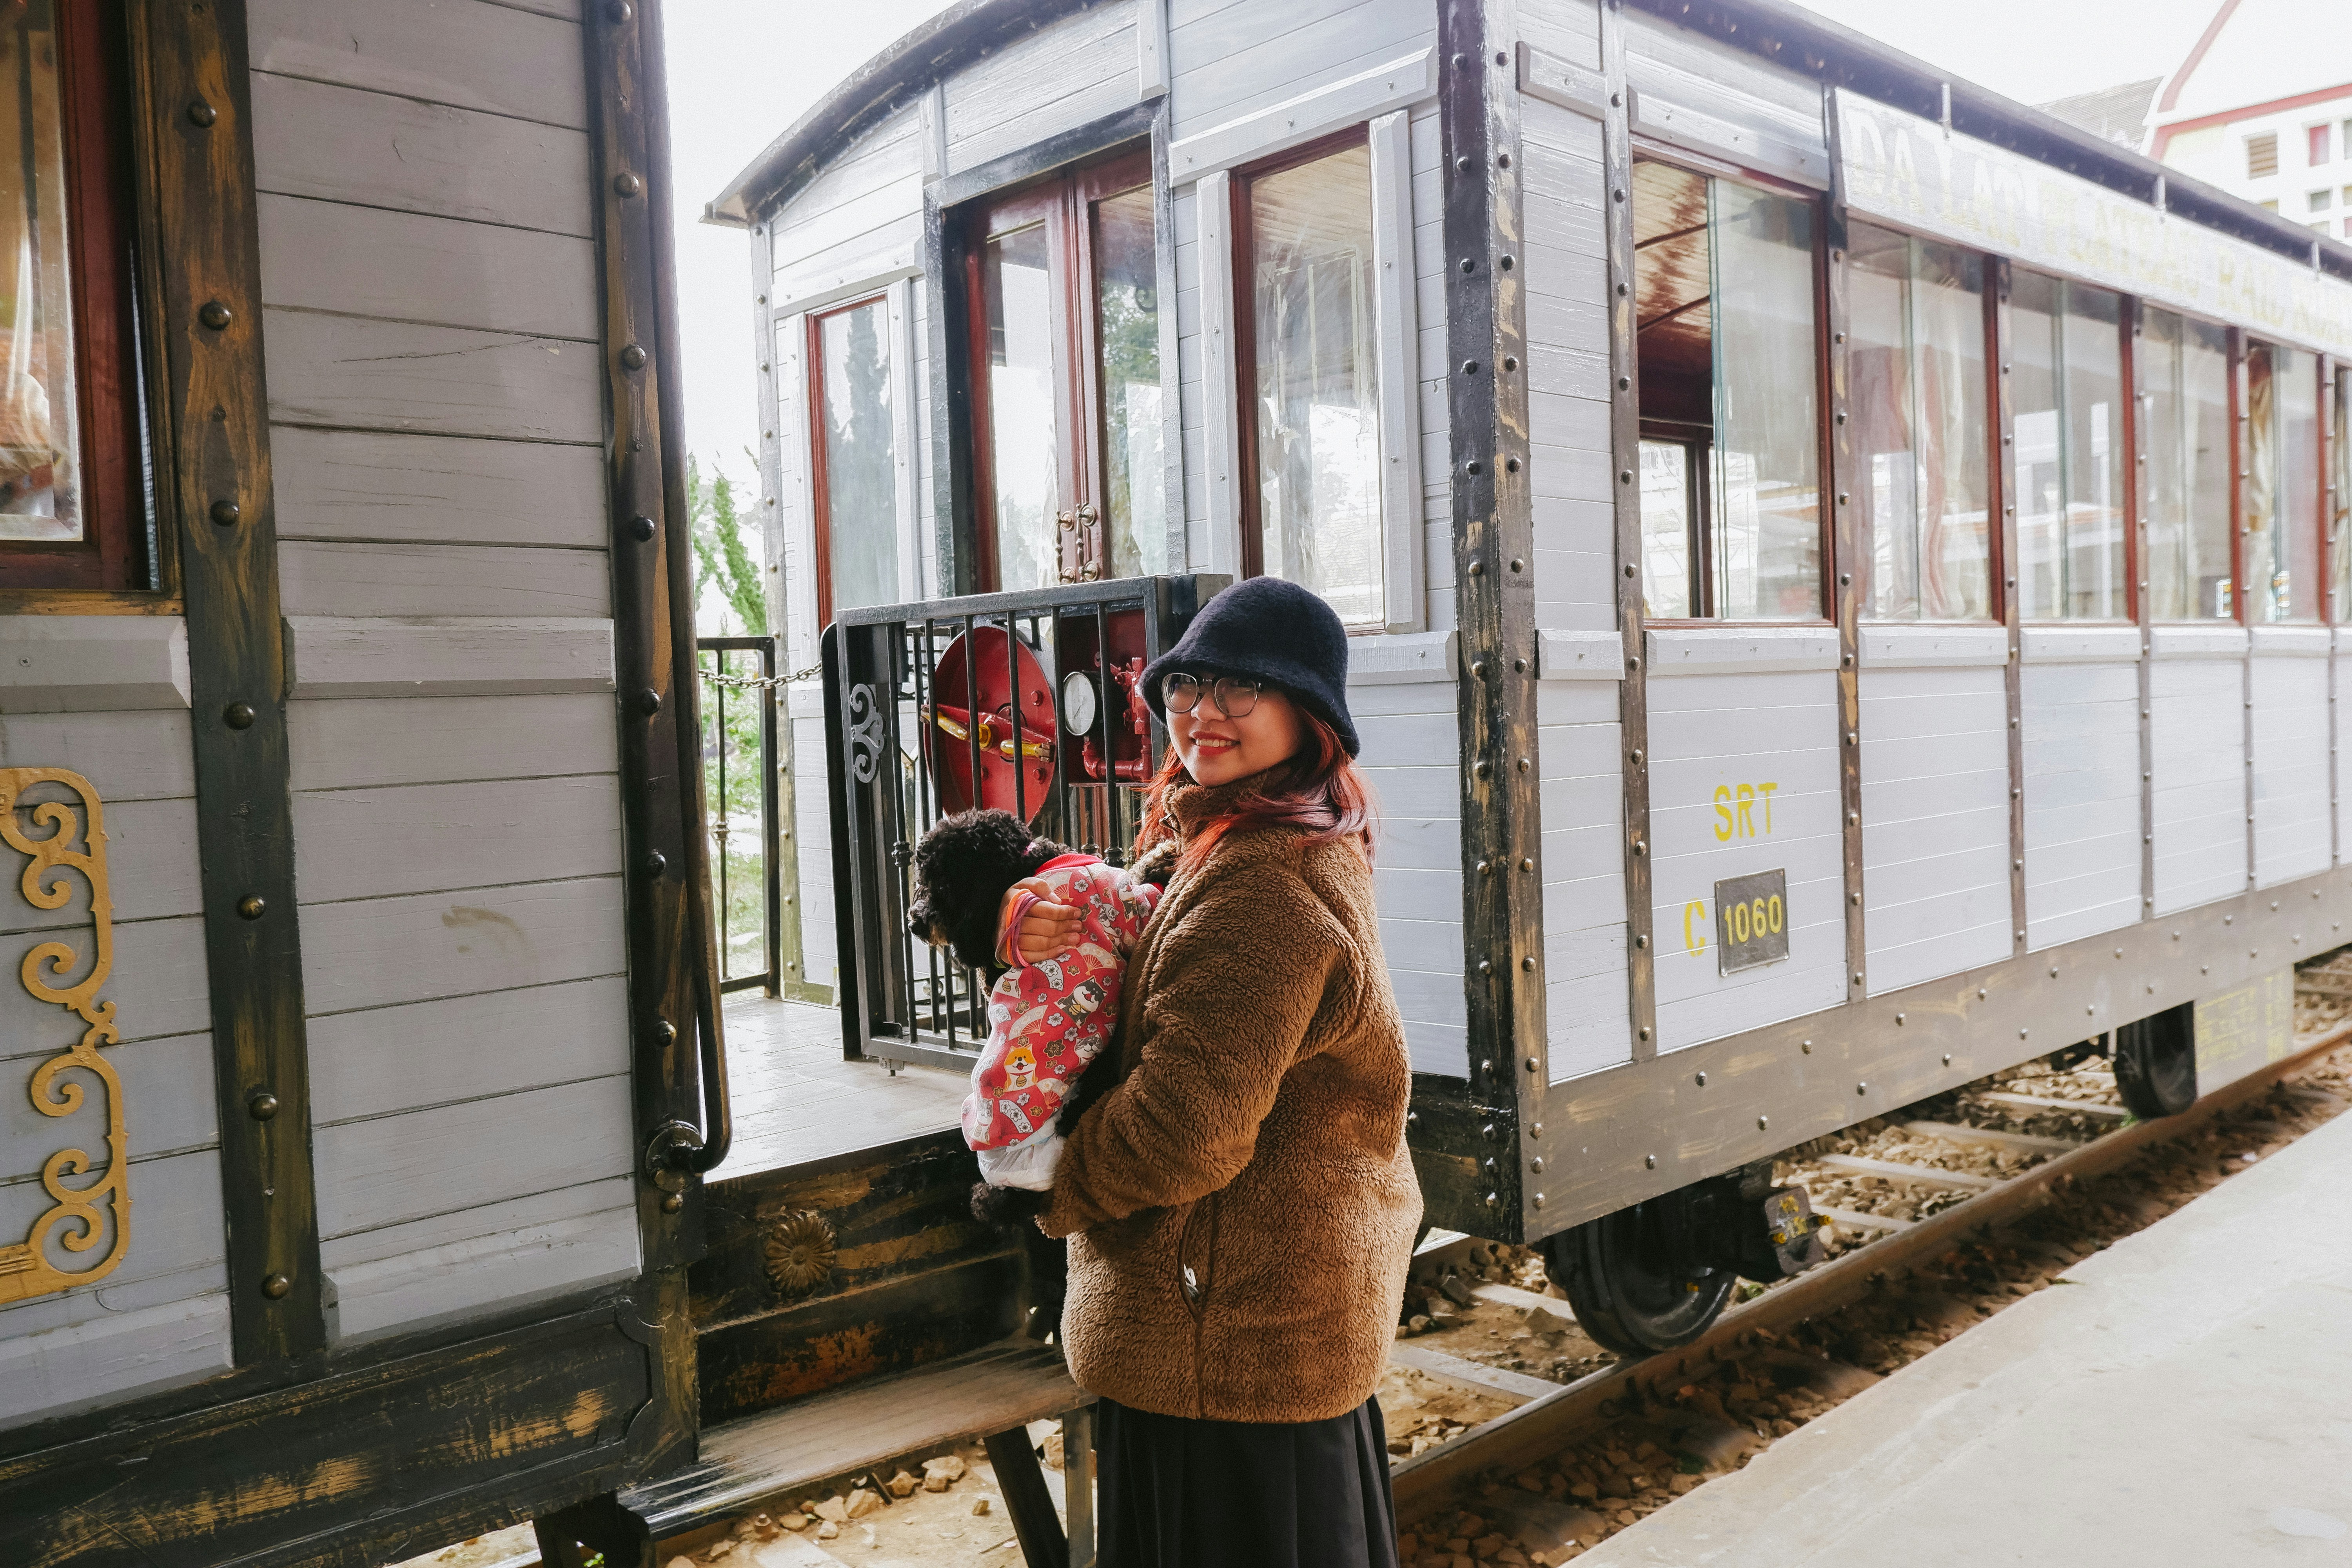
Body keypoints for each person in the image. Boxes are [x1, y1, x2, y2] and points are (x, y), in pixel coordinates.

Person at [1007, 575, 1421, 1568]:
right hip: (1261, 1334)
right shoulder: (1252, 844)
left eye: (1242, 688)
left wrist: (1052, 1177)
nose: (1203, 710)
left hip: (1229, 1348)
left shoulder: (1264, 888)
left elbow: (1182, 1131)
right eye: (1187, 682)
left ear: (1309, 714)